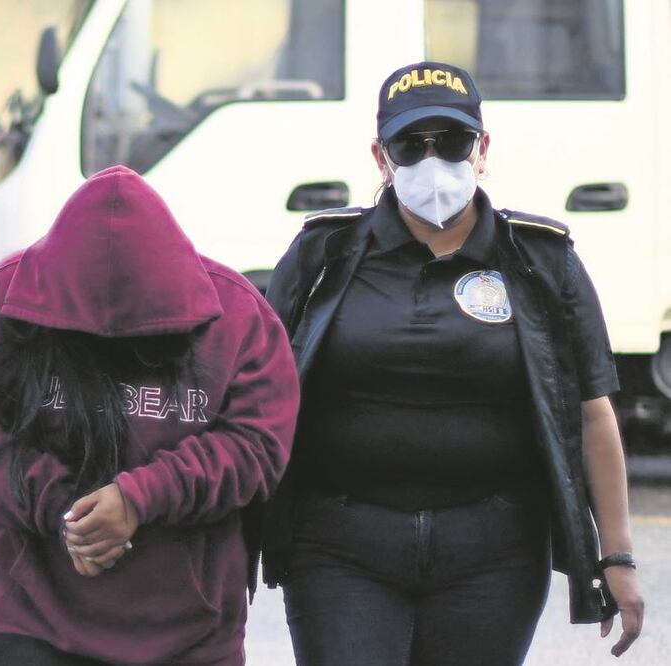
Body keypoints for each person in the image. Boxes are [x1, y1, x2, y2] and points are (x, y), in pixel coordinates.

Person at [262, 61, 645, 665]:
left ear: (483, 147)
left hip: (494, 554)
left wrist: (616, 557)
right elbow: (253, 395)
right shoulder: (324, 255)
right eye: (409, 145)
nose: (431, 161)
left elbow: (592, 414)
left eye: (453, 142)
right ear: (380, 156)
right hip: (338, 548)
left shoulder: (541, 262)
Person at [0, 165, 299, 665]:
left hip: (190, 630)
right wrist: (66, 509)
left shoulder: (236, 315)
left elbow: (259, 443)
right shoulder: (2, 301)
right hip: (32, 620)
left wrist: (139, 498)